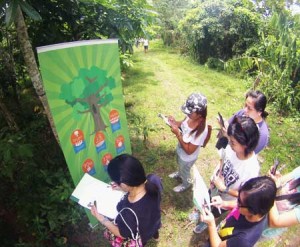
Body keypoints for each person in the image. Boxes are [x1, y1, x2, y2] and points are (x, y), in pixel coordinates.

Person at [193, 115, 260, 233]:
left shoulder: (251, 169)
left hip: (225, 198)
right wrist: (216, 171)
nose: (230, 144)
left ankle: (206, 222)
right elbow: (223, 159)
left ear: (246, 144)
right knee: (206, 201)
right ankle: (200, 213)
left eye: (233, 142)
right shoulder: (232, 148)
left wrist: (224, 189)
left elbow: (244, 196)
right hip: (215, 187)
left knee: (214, 211)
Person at [90, 154, 162, 246]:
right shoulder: (153, 180)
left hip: (141, 234)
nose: (116, 183)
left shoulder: (129, 212)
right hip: (154, 222)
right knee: (151, 229)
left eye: (117, 182)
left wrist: (101, 218)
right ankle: (155, 235)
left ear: (124, 184)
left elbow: (122, 234)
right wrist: (123, 188)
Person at [201, 176, 277, 247]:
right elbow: (238, 206)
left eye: (239, 202)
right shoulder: (258, 208)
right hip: (219, 235)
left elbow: (218, 245)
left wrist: (211, 224)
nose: (237, 203)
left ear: (253, 211)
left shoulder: (243, 239)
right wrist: (224, 203)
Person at [168, 92, 211, 193]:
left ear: (199, 114)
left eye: (189, 112)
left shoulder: (201, 130)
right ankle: (179, 172)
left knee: (185, 171)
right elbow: (183, 124)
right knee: (179, 163)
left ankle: (186, 183)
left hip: (187, 158)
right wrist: (174, 123)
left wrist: (178, 134)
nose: (187, 114)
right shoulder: (190, 116)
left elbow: (189, 151)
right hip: (180, 149)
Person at [217, 90, 269, 154]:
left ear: (259, 112)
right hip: (225, 151)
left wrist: (228, 136)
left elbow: (246, 154)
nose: (245, 110)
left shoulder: (262, 134)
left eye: (249, 108)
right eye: (245, 105)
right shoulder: (241, 113)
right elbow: (229, 124)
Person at [262, 166, 300, 238]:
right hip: (255, 207)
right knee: (235, 219)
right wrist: (275, 178)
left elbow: (275, 222)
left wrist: (273, 190)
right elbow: (281, 182)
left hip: (261, 228)